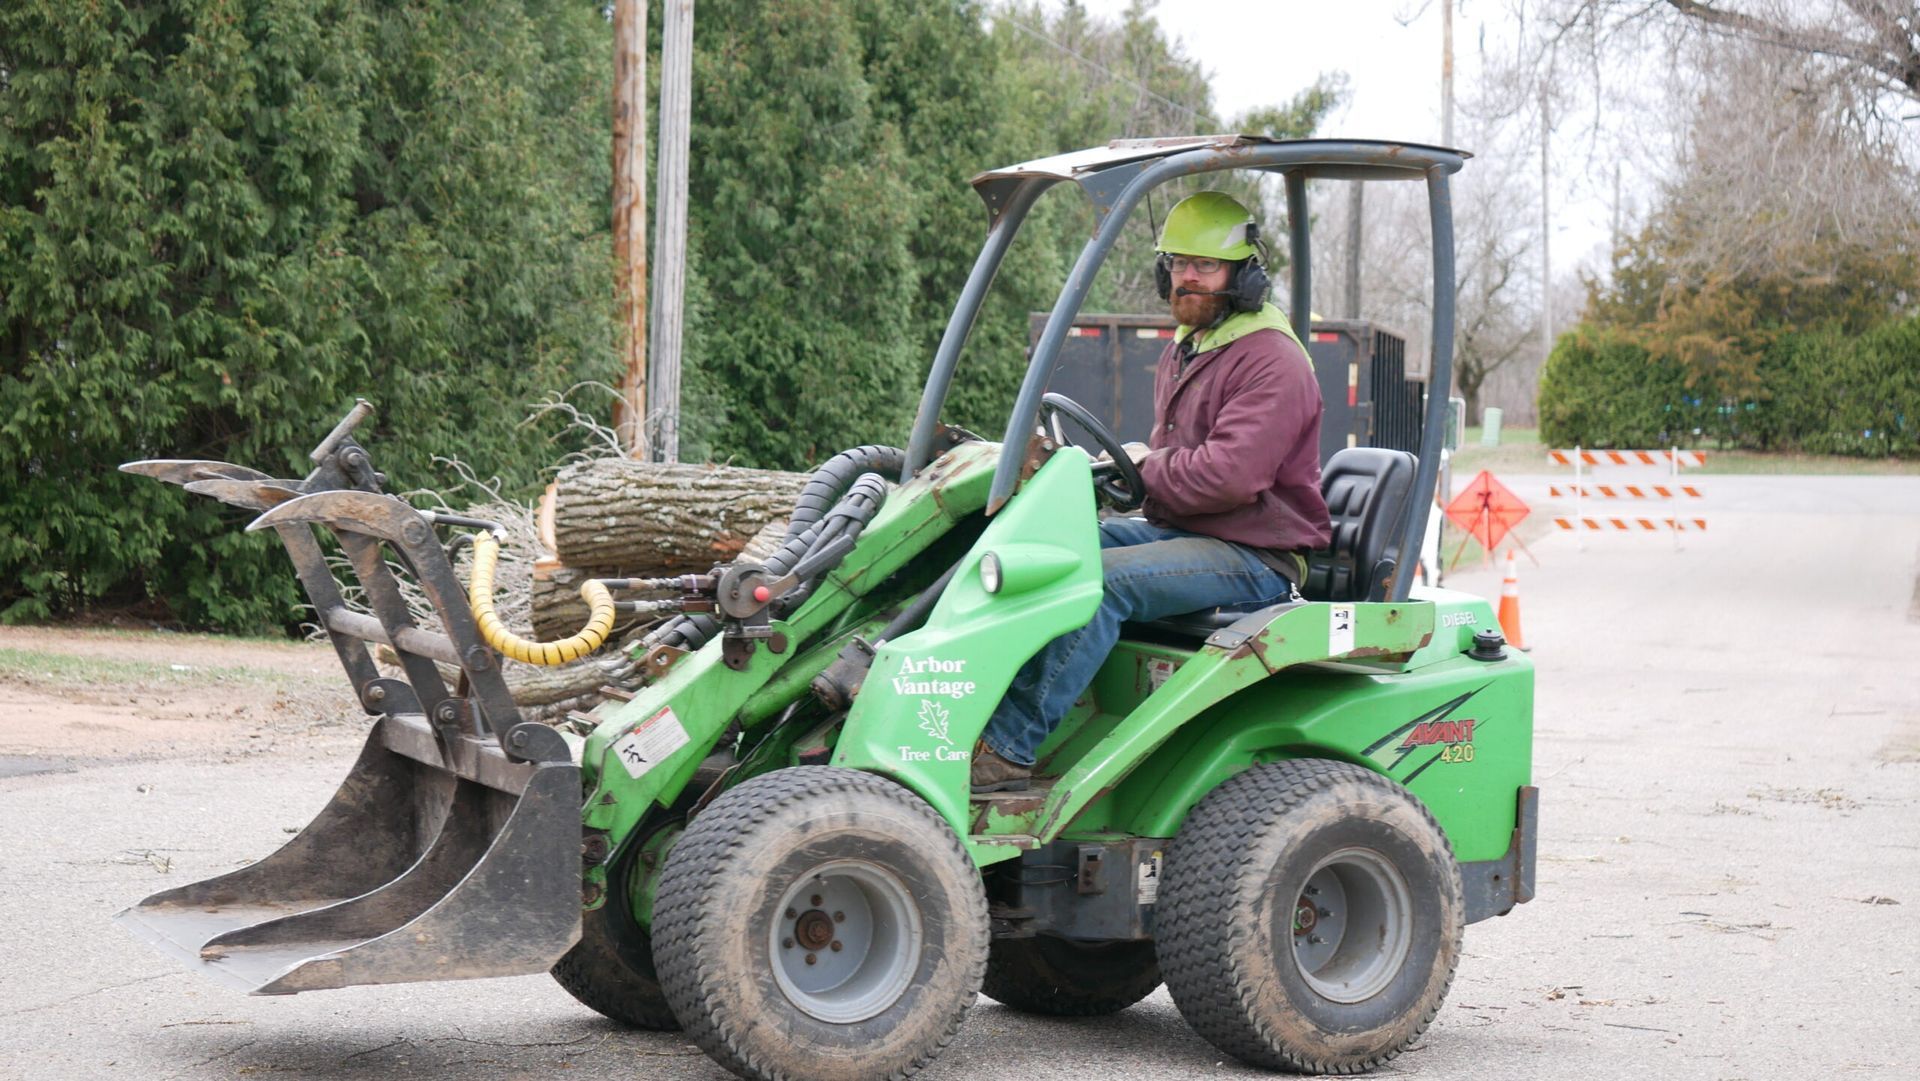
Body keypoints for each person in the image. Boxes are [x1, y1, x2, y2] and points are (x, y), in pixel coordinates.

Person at [970, 190, 1333, 793]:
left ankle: (1006, 751)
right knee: (1039, 544)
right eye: (1178, 263)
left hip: (1254, 555)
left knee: (1100, 582)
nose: (1187, 278)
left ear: (1244, 277)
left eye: (1206, 266)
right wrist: (1118, 467)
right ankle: (963, 701)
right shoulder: (1191, 346)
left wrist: (1146, 465)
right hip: (1189, 531)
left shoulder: (1272, 360)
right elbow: (1176, 462)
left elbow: (1229, 475)